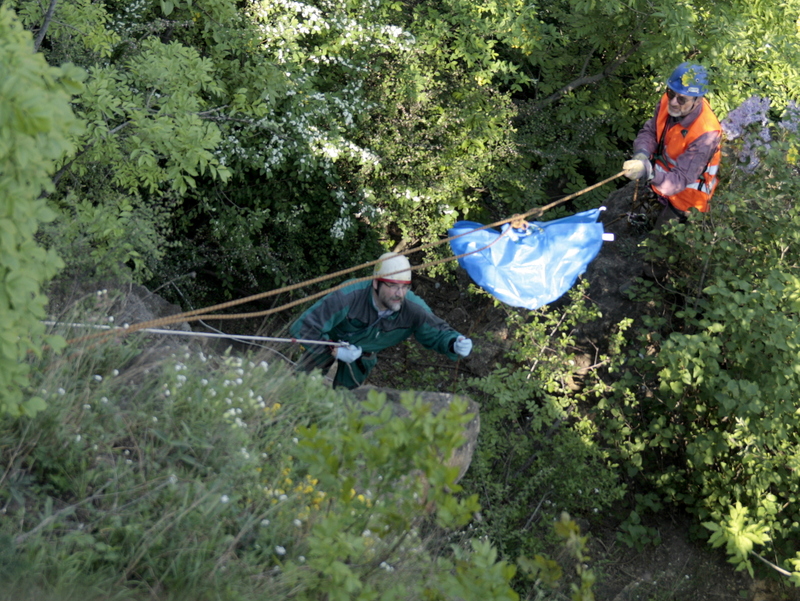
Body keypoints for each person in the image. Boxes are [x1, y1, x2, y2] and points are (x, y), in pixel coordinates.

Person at [289, 252, 473, 389]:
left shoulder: (412, 308)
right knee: (301, 387)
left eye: (404, 287)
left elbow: (437, 331)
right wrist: (333, 349)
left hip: (363, 356)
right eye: (392, 286)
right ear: (375, 283)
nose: (399, 294)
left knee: (345, 400)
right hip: (325, 343)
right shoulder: (348, 296)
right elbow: (304, 327)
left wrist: (453, 343)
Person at [622, 63, 722, 230]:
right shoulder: (666, 102)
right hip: (661, 179)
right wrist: (641, 154)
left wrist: (648, 172)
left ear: (698, 101)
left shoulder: (706, 133)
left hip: (686, 196)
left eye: (682, 99)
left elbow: (680, 179)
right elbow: (651, 131)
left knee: (656, 243)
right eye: (671, 93)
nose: (674, 102)